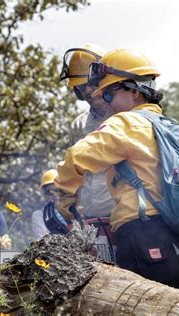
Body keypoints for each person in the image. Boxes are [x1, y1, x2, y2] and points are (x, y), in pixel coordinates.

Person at [54, 48, 179, 289]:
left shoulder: (125, 122)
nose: (106, 103)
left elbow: (75, 158)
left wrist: (66, 196)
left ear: (134, 91)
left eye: (109, 95)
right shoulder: (165, 124)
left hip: (144, 238)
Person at [59, 44, 115, 218]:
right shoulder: (78, 125)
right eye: (82, 87)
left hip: (125, 216)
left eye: (92, 83)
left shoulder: (126, 118)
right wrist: (69, 197)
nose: (89, 91)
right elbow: (73, 172)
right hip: (89, 217)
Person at [31, 169, 67, 241]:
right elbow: (42, 243)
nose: (55, 195)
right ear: (45, 194)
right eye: (49, 192)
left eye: (58, 190)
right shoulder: (40, 216)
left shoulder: (76, 212)